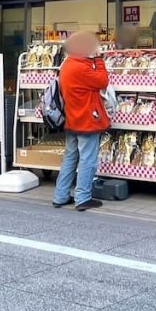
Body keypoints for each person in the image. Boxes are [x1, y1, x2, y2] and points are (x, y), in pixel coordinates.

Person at [53, 31, 109, 212]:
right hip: (87, 119)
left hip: (72, 118)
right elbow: (102, 81)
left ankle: (60, 196)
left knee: (70, 158)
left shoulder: (68, 64)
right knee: (88, 159)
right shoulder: (82, 67)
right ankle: (83, 198)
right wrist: (99, 60)